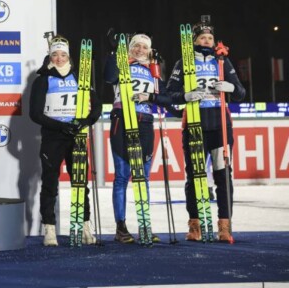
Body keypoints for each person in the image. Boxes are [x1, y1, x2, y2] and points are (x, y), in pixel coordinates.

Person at [165, 19, 246, 242]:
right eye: (202, 38)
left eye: (210, 38)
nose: (207, 41)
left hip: (220, 127)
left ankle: (224, 227)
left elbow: (240, 93)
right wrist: (185, 96)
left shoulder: (222, 61)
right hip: (194, 126)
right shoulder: (184, 62)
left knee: (223, 176)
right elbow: (169, 94)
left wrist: (230, 87)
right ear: (194, 41)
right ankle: (195, 225)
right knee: (194, 176)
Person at [29, 35, 101, 246]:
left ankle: (84, 226)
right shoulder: (43, 80)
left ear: (69, 57)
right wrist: (60, 126)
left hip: (77, 136)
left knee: (80, 183)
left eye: (63, 55)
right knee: (50, 184)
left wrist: (85, 122)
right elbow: (35, 113)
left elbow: (96, 105)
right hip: (53, 137)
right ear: (50, 56)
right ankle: (49, 229)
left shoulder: (80, 78)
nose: (59, 59)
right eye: (55, 55)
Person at [104, 32, 172, 243]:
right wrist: (116, 52)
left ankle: (145, 226)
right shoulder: (122, 62)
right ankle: (121, 228)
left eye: (144, 47)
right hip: (122, 119)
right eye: (136, 46)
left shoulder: (153, 69)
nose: (140, 50)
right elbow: (109, 77)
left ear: (149, 50)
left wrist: (151, 96)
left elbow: (165, 97)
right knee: (122, 176)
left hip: (145, 122)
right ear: (130, 47)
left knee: (143, 177)